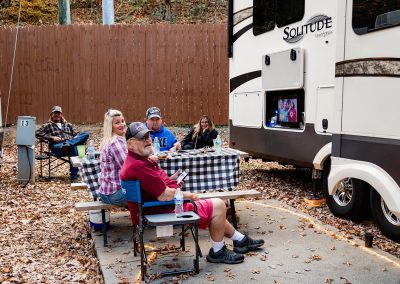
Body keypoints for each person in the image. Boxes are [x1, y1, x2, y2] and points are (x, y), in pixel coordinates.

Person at [120, 122, 264, 264]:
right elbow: (164, 195)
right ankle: (218, 252)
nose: (147, 140)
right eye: (142, 138)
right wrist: (189, 196)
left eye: (147, 136)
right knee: (219, 205)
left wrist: (171, 180)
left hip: (154, 208)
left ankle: (240, 240)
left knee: (214, 209)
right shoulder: (139, 166)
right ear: (130, 144)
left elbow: (154, 187)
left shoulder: (136, 161)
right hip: (165, 209)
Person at [35, 106, 89, 182]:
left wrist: (76, 138)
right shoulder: (48, 125)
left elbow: (77, 134)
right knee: (73, 147)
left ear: (61, 115)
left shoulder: (68, 125)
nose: (57, 115)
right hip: (58, 146)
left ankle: (69, 144)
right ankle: (74, 177)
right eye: (55, 113)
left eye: (58, 113)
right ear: (51, 115)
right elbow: (37, 133)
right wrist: (51, 137)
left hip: (70, 144)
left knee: (85, 134)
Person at [98, 109, 128, 207]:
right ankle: (144, 220)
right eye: (117, 123)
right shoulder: (116, 142)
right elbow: (128, 168)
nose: (122, 124)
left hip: (105, 191)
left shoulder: (108, 140)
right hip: (115, 193)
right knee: (150, 193)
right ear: (110, 126)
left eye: (122, 121)